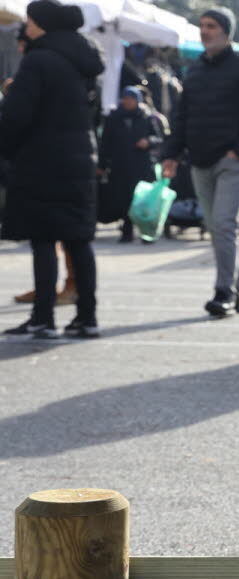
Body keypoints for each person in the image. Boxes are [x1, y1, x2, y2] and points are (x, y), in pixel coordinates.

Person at [0, 0, 104, 339]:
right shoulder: (85, 62)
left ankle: (43, 316)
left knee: (43, 239)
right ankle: (87, 316)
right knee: (78, 240)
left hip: (42, 160)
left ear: (43, 24)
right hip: (80, 158)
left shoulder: (39, 60)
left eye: (30, 22)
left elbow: (17, 116)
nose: (27, 28)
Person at [162, 6, 239, 318]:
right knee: (214, 226)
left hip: (232, 161)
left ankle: (223, 292)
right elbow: (182, 116)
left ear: (226, 31)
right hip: (200, 161)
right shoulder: (195, 70)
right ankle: (233, 288)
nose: (204, 30)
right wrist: (171, 152)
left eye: (210, 26)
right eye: (202, 25)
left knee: (224, 224)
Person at [100, 86, 165, 243]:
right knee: (124, 200)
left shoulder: (147, 117)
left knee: (144, 201)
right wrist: (102, 164)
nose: (128, 102)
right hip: (120, 166)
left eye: (131, 99)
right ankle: (127, 231)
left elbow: (159, 138)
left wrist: (148, 141)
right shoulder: (114, 118)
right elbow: (106, 143)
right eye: (125, 99)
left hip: (142, 166)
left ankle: (146, 233)